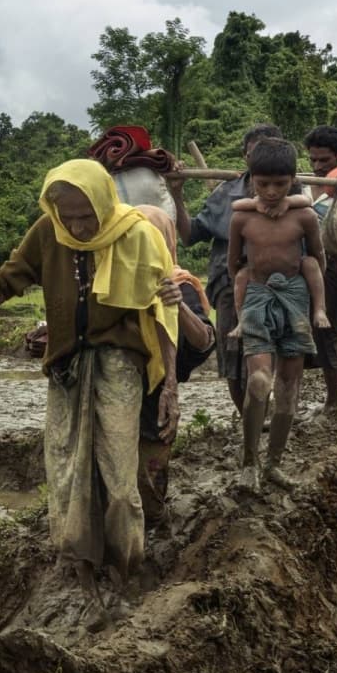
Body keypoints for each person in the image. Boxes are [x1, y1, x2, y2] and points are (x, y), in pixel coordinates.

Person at [0, 160, 179, 623]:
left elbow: (162, 313)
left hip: (120, 364)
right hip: (67, 368)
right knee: (67, 473)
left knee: (119, 479)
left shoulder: (136, 236)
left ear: (104, 201)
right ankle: (80, 568)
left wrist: (169, 387)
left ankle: (126, 569)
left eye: (86, 216)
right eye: (67, 216)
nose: (77, 226)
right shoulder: (47, 233)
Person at [172, 123, 300, 415]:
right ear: (246, 159)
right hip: (230, 283)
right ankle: (248, 419)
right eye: (256, 154)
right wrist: (176, 194)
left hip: (280, 284)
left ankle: (273, 414)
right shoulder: (225, 194)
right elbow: (191, 235)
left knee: (278, 350)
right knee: (233, 355)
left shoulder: (293, 193)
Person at [229, 138, 321, 490]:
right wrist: (243, 298)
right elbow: (234, 262)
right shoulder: (241, 218)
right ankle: (248, 463)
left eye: (279, 184)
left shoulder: (305, 216)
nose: (269, 191)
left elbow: (315, 258)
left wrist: (316, 303)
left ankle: (274, 463)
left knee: (287, 389)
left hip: (294, 299)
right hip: (256, 297)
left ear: (292, 181)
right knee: (258, 381)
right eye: (262, 183)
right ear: (251, 179)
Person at [134, 205, 215, 529]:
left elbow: (204, 341)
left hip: (155, 397)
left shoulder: (180, 285)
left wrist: (176, 305)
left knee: (149, 488)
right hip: (116, 389)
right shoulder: (114, 280)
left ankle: (156, 534)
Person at [226, 193, 329, 339]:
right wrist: (256, 204)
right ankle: (241, 320)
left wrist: (287, 201)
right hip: (258, 278)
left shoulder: (300, 209)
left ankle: (320, 309)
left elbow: (307, 200)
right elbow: (235, 205)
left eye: (279, 184)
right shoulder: (249, 209)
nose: (272, 190)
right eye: (265, 184)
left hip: (293, 274)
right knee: (242, 275)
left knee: (311, 263)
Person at [301, 125, 337, 409]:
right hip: (299, 269)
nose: (318, 167)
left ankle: (334, 400)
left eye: (324, 161)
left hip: (333, 270)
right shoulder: (301, 185)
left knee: (329, 334)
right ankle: (290, 403)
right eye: (314, 160)